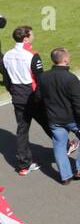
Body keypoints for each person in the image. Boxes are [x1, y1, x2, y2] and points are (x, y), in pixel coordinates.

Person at [36, 47, 80, 184]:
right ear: (66, 60)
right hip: (72, 119)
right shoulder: (71, 78)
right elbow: (79, 102)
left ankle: (65, 176)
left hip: (53, 119)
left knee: (59, 145)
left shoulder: (43, 77)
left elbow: (37, 97)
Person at [2, 25, 45, 176]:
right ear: (26, 37)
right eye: (31, 34)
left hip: (17, 96)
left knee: (22, 130)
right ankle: (65, 145)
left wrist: (13, 92)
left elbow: (6, 80)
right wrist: (40, 98)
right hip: (32, 96)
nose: (33, 36)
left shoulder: (6, 55)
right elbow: (41, 80)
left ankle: (23, 166)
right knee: (49, 122)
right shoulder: (32, 55)